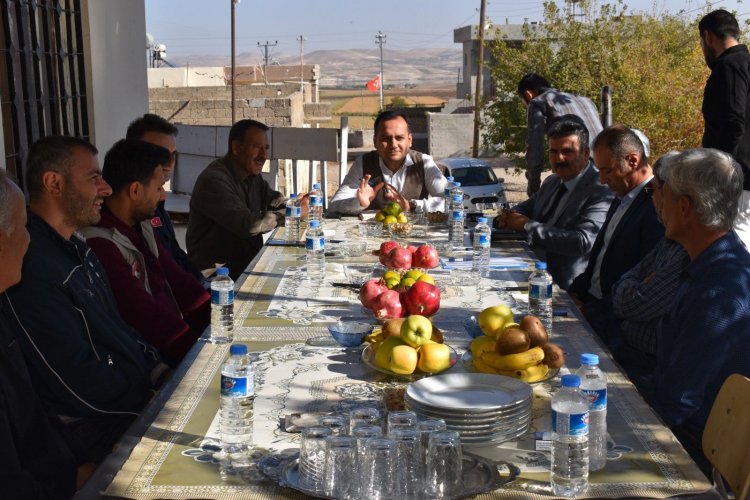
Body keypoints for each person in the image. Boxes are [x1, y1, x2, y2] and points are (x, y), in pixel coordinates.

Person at [0, 136, 167, 463]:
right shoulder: (29, 268)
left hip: (126, 403)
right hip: (89, 426)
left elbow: (119, 330)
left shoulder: (80, 250)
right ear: (54, 183)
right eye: (94, 178)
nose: (105, 188)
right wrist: (150, 403)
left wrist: (160, 371)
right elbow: (74, 381)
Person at [646, 148, 750, 473]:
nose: (659, 204)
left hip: (696, 454)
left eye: (665, 195)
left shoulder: (717, 291)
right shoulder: (714, 265)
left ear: (685, 207)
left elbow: (675, 403)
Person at [0, 171, 96, 498]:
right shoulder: (31, 290)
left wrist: (79, 463)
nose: (29, 239)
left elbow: (33, 407)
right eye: (23, 226)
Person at [81, 139, 210, 366]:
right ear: (135, 190)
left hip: (177, 340)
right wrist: (201, 357)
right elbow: (144, 314)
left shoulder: (142, 226)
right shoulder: (101, 243)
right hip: (151, 361)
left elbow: (180, 282)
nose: (163, 196)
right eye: (159, 188)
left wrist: (223, 317)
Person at [568, 126, 663, 350]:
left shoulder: (656, 206)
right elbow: (601, 258)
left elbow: (642, 278)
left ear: (632, 161)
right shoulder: (621, 196)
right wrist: (573, 293)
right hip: (589, 306)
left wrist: (589, 312)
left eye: (607, 171)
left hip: (615, 326)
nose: (602, 180)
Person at [494, 120, 613, 290]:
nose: (559, 159)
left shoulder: (600, 190)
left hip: (568, 288)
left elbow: (582, 241)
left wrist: (527, 225)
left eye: (567, 151)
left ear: (586, 154)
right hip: (529, 273)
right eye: (554, 152)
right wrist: (510, 216)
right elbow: (525, 207)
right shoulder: (552, 181)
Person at [609, 152, 690, 385]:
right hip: (628, 348)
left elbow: (633, 304)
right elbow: (627, 283)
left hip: (648, 367)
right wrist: (635, 284)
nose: (652, 199)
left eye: (652, 191)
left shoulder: (688, 249)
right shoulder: (670, 239)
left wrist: (634, 286)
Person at [187, 119, 288, 280]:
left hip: (248, 265)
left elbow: (275, 200)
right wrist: (287, 214)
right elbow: (247, 224)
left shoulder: (252, 175)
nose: (263, 155)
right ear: (235, 147)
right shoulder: (214, 180)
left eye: (266, 149)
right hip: (219, 279)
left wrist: (292, 206)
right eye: (256, 147)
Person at [125, 113, 206, 285]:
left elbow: (174, 255)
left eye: (173, 155)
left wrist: (204, 284)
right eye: (161, 154)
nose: (169, 162)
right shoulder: (126, 211)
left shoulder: (158, 201)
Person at [328, 110, 447, 214]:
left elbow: (454, 201)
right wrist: (359, 202)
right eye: (386, 139)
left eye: (399, 138)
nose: (393, 145)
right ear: (375, 141)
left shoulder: (423, 162)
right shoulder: (363, 163)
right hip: (372, 238)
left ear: (409, 140)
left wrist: (411, 205)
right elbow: (333, 206)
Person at [699, 9, 750, 247]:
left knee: (736, 241)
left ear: (708, 37)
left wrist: (721, 169)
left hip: (737, 179)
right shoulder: (744, 64)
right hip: (742, 176)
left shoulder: (730, 65)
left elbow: (733, 121)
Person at [517, 73, 604, 195]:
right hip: (606, 173)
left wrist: (533, 191)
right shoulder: (586, 100)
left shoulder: (537, 103)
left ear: (528, 94)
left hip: (580, 177)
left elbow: (535, 153)